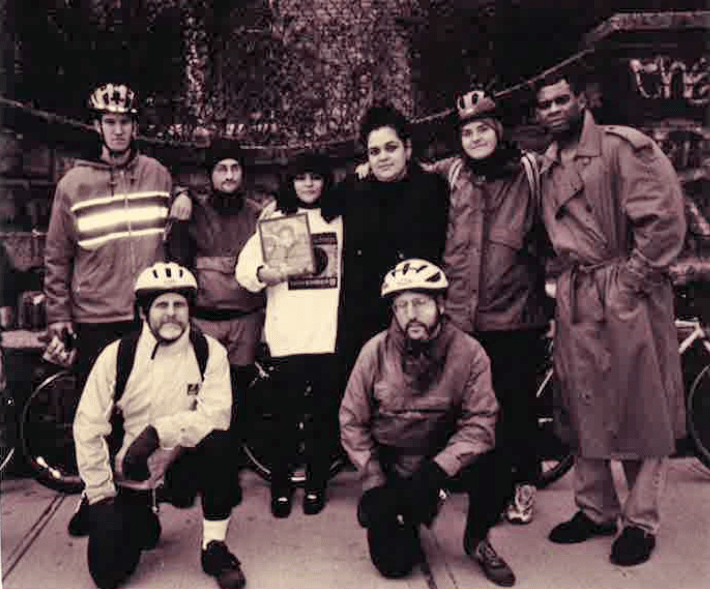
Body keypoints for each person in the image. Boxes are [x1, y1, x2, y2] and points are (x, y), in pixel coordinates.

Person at [356, 89, 550, 524]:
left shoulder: (531, 172)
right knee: (466, 405)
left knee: (514, 405)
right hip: (462, 313)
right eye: (467, 131)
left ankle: (522, 485)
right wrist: (365, 168)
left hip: (514, 312)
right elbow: (403, 173)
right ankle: (477, 480)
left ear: (499, 131)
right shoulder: (450, 173)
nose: (476, 137)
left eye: (484, 128)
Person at [534, 73, 687, 566]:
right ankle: (595, 508)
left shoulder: (624, 148)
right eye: (544, 105)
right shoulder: (548, 164)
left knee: (640, 405)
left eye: (563, 98)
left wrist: (630, 281)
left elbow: (664, 220)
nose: (554, 109)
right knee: (583, 404)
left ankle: (640, 520)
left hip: (625, 293)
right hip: (578, 292)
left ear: (582, 98)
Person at [340, 259, 516, 587]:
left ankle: (477, 539)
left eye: (420, 302)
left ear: (441, 304)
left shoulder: (470, 353)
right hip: (393, 460)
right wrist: (374, 479)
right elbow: (352, 421)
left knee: (499, 460)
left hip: (442, 459)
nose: (411, 314)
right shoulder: (374, 352)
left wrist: (436, 472)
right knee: (394, 565)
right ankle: (405, 516)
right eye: (401, 305)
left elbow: (481, 421)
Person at [72, 262, 245, 589]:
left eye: (179, 305)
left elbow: (216, 416)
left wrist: (159, 435)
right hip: (129, 469)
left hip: (180, 460)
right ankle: (121, 513)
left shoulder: (210, 352)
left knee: (220, 444)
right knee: (107, 575)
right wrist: (100, 493)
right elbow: (88, 427)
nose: (171, 314)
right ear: (143, 313)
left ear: (190, 310)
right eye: (161, 305)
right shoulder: (117, 356)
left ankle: (215, 546)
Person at [44, 82, 192, 388]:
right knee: (100, 408)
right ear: (97, 126)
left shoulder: (156, 173)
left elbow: (177, 204)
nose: (118, 130)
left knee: (149, 404)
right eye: (110, 122)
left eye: (125, 122)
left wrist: (183, 194)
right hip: (95, 318)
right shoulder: (73, 184)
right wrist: (58, 315)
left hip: (148, 312)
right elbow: (57, 256)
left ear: (135, 126)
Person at [236, 152, 343, 517]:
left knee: (323, 416)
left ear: (326, 181)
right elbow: (245, 271)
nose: (309, 184)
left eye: (316, 177)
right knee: (283, 416)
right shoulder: (277, 218)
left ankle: (315, 484)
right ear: (290, 182)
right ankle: (280, 485)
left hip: (328, 333)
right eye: (301, 178)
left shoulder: (339, 218)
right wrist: (268, 272)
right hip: (287, 335)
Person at [321, 102, 449, 383]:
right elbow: (320, 208)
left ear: (408, 148)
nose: (383, 158)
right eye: (374, 151)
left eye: (391, 148)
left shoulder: (432, 188)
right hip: (362, 313)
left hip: (413, 310)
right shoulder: (355, 188)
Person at [167, 138, 267, 413]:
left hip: (246, 322)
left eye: (235, 168)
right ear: (210, 174)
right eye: (221, 169)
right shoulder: (193, 211)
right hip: (205, 320)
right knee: (201, 391)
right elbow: (177, 261)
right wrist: (181, 193)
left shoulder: (257, 215)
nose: (229, 176)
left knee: (239, 393)